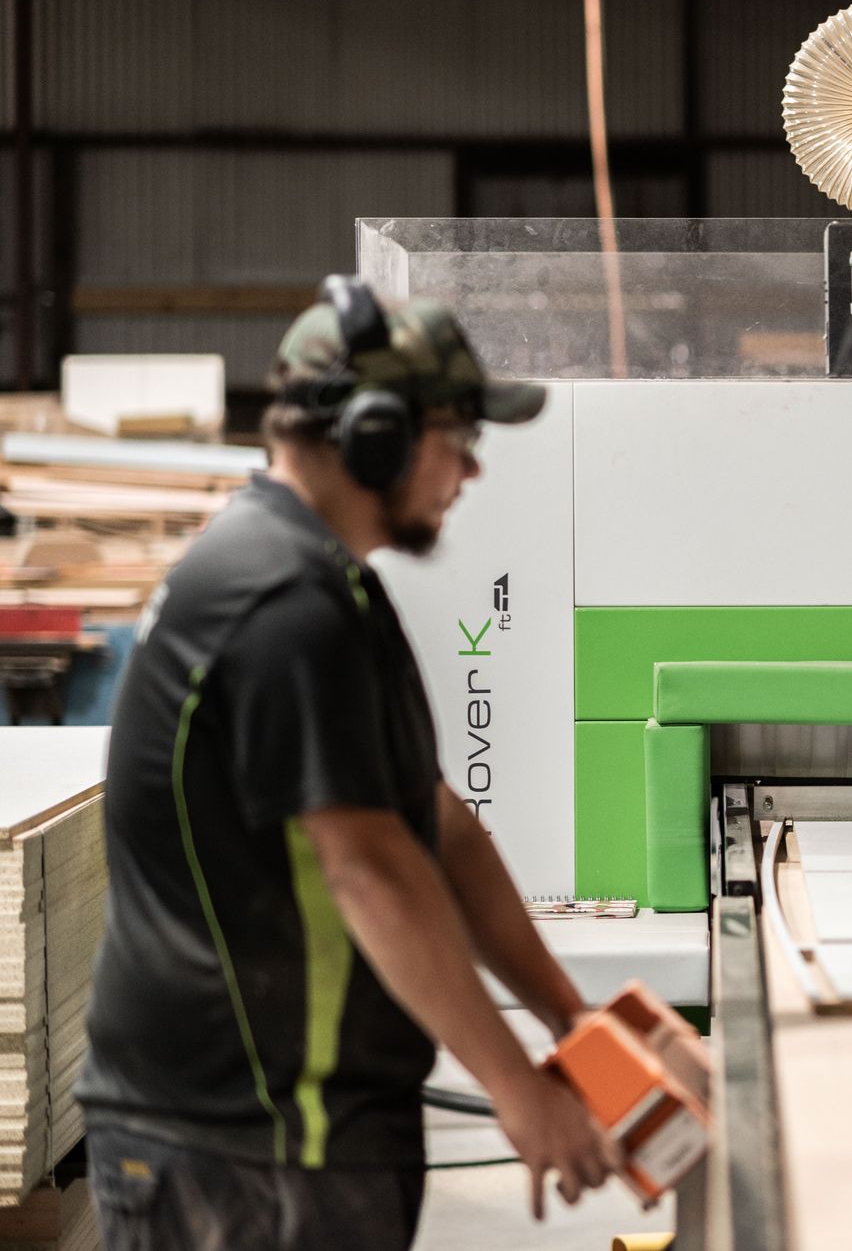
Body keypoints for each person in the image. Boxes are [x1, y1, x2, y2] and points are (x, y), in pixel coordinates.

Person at [77, 276, 622, 1249]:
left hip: (284, 1129)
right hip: (242, 1140)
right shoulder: (283, 602)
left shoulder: (324, 585)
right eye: (460, 438)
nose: (472, 472)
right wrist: (514, 1088)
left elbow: (435, 822)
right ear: (377, 435)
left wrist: (571, 1021)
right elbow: (367, 866)